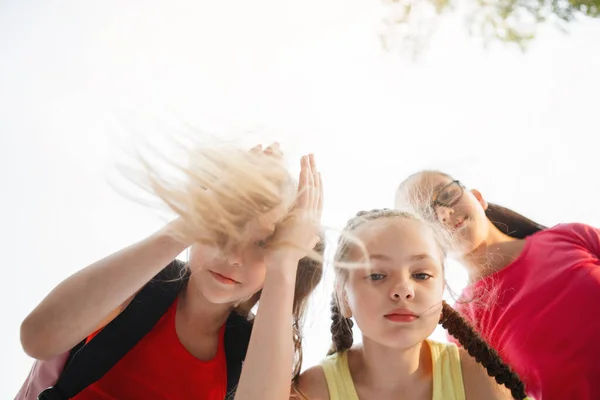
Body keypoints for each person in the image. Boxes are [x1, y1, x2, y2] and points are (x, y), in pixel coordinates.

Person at [18, 143, 324, 400]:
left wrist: (285, 267)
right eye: (223, 227)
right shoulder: (138, 285)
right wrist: (190, 220)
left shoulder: (255, 350)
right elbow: (37, 338)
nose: (233, 256)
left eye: (262, 243)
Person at [394, 170, 600, 399]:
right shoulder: (465, 326)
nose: (443, 213)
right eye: (425, 216)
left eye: (447, 195)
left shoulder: (572, 237)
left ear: (478, 198)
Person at [294, 209, 532, 400]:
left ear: (441, 292)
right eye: (377, 275)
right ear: (343, 297)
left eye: (421, 275)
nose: (403, 291)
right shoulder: (313, 391)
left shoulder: (477, 378)